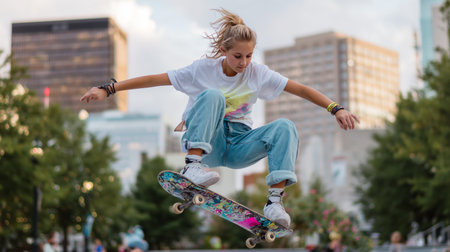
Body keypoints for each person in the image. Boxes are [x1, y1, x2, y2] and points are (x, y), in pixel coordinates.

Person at [80, 8, 359, 227]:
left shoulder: (257, 72)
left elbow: (300, 89)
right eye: (238, 56)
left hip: (239, 145)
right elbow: (155, 79)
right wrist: (109, 89)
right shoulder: (201, 70)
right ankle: (192, 167)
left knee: (285, 127)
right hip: (206, 141)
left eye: (249, 56)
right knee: (213, 96)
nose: (244, 63)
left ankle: (274, 202)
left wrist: (336, 108)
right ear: (224, 51)